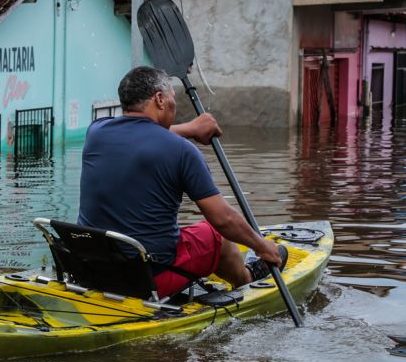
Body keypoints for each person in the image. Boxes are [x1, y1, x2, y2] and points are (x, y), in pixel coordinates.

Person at [77, 66, 286, 298]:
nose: (174, 105)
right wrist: (261, 245)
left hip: (91, 268)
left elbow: (143, 134)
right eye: (172, 98)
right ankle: (246, 278)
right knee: (217, 237)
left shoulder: (96, 132)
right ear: (159, 99)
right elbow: (223, 219)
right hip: (148, 278)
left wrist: (189, 129)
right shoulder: (182, 152)